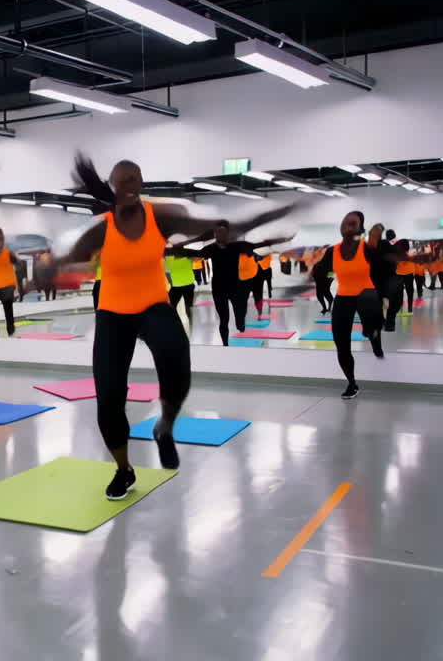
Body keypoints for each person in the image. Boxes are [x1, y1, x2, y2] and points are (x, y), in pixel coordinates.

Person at [59, 154, 297, 499]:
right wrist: (48, 272)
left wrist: (272, 214)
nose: (129, 185)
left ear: (142, 183)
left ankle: (165, 427)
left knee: (177, 363)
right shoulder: (101, 229)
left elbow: (223, 224)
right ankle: (124, 470)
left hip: (154, 305)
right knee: (109, 398)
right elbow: (70, 260)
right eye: (122, 181)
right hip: (112, 312)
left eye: (135, 179)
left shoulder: (161, 217)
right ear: (113, 187)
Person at [310, 211, 392, 399]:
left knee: (371, 328)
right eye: (345, 223)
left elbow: (384, 267)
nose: (347, 227)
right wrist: (327, 275)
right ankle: (352, 384)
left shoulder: (368, 248)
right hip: (343, 297)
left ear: (360, 229)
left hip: (366, 294)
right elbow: (325, 271)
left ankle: (375, 339)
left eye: (352, 224)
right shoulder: (332, 251)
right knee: (341, 344)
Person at [178, 223, 289, 345]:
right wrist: (177, 250)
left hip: (235, 287)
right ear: (215, 234)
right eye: (217, 232)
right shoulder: (211, 249)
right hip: (219, 289)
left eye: (222, 232)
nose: (219, 235)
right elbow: (196, 253)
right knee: (223, 319)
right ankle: (225, 345)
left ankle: (240, 324)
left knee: (240, 316)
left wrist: (277, 241)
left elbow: (257, 245)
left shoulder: (236, 246)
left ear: (227, 234)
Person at [164, 251, 195, 325]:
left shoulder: (168, 258)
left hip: (177, 286)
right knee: (189, 306)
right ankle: (192, 322)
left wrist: (171, 283)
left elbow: (167, 273)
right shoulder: (189, 256)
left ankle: (177, 323)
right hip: (188, 284)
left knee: (171, 306)